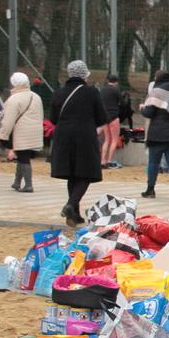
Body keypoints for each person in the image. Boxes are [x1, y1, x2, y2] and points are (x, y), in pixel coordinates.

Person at [49, 60, 107, 226]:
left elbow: (53, 118)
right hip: (84, 135)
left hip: (63, 135)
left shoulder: (59, 92)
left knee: (72, 173)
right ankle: (71, 204)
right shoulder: (92, 92)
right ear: (85, 75)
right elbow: (102, 117)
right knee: (86, 172)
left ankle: (74, 214)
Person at [140, 71, 169, 201]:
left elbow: (148, 113)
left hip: (157, 134)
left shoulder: (156, 93)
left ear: (158, 80)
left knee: (153, 162)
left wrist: (142, 108)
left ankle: (150, 189)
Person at [0, 72, 44, 193]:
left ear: (14, 83)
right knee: (22, 156)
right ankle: (17, 182)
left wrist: (3, 135)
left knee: (23, 158)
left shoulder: (14, 99)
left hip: (21, 132)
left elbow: (8, 120)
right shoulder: (36, 97)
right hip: (35, 132)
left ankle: (28, 185)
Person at [100, 74, 122, 168]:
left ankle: (102, 161)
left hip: (104, 117)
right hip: (113, 117)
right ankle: (109, 161)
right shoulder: (116, 90)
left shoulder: (102, 90)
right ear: (116, 82)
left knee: (107, 140)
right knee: (114, 140)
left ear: (108, 80)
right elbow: (122, 102)